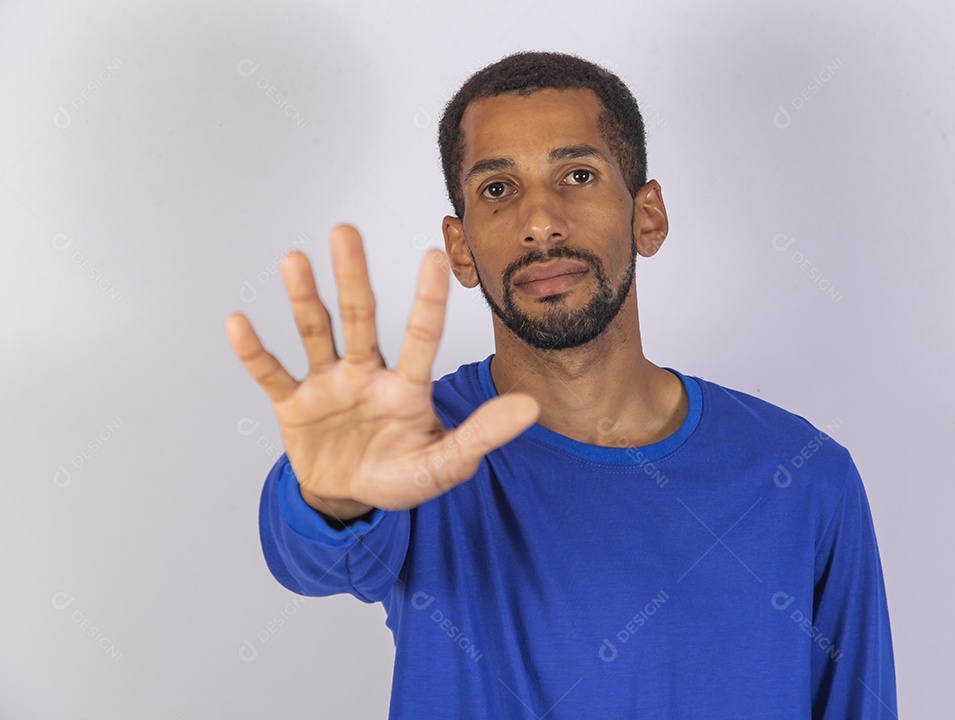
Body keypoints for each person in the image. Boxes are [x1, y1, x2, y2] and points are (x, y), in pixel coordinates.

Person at [225, 50, 898, 719]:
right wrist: (332, 496)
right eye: (497, 188)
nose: (539, 220)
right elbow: (312, 558)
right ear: (461, 248)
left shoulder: (802, 475)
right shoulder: (416, 450)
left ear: (648, 216)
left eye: (577, 175)